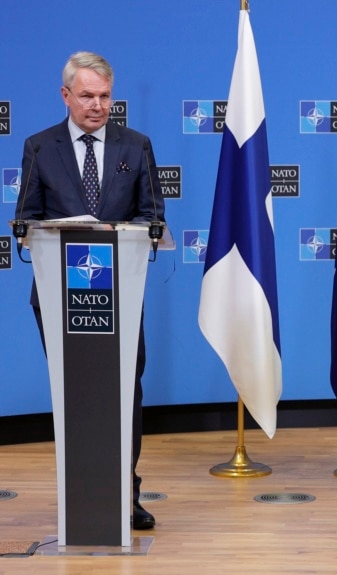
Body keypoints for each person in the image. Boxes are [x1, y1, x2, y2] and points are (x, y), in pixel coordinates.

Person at [18, 51, 164, 530]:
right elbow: (26, 221)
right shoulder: (40, 147)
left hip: (120, 295)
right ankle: (80, 497)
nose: (97, 106)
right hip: (63, 299)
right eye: (86, 96)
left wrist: (135, 232)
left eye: (104, 96)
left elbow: (153, 217)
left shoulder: (136, 145)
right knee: (75, 393)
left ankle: (127, 495)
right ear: (66, 96)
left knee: (125, 393)